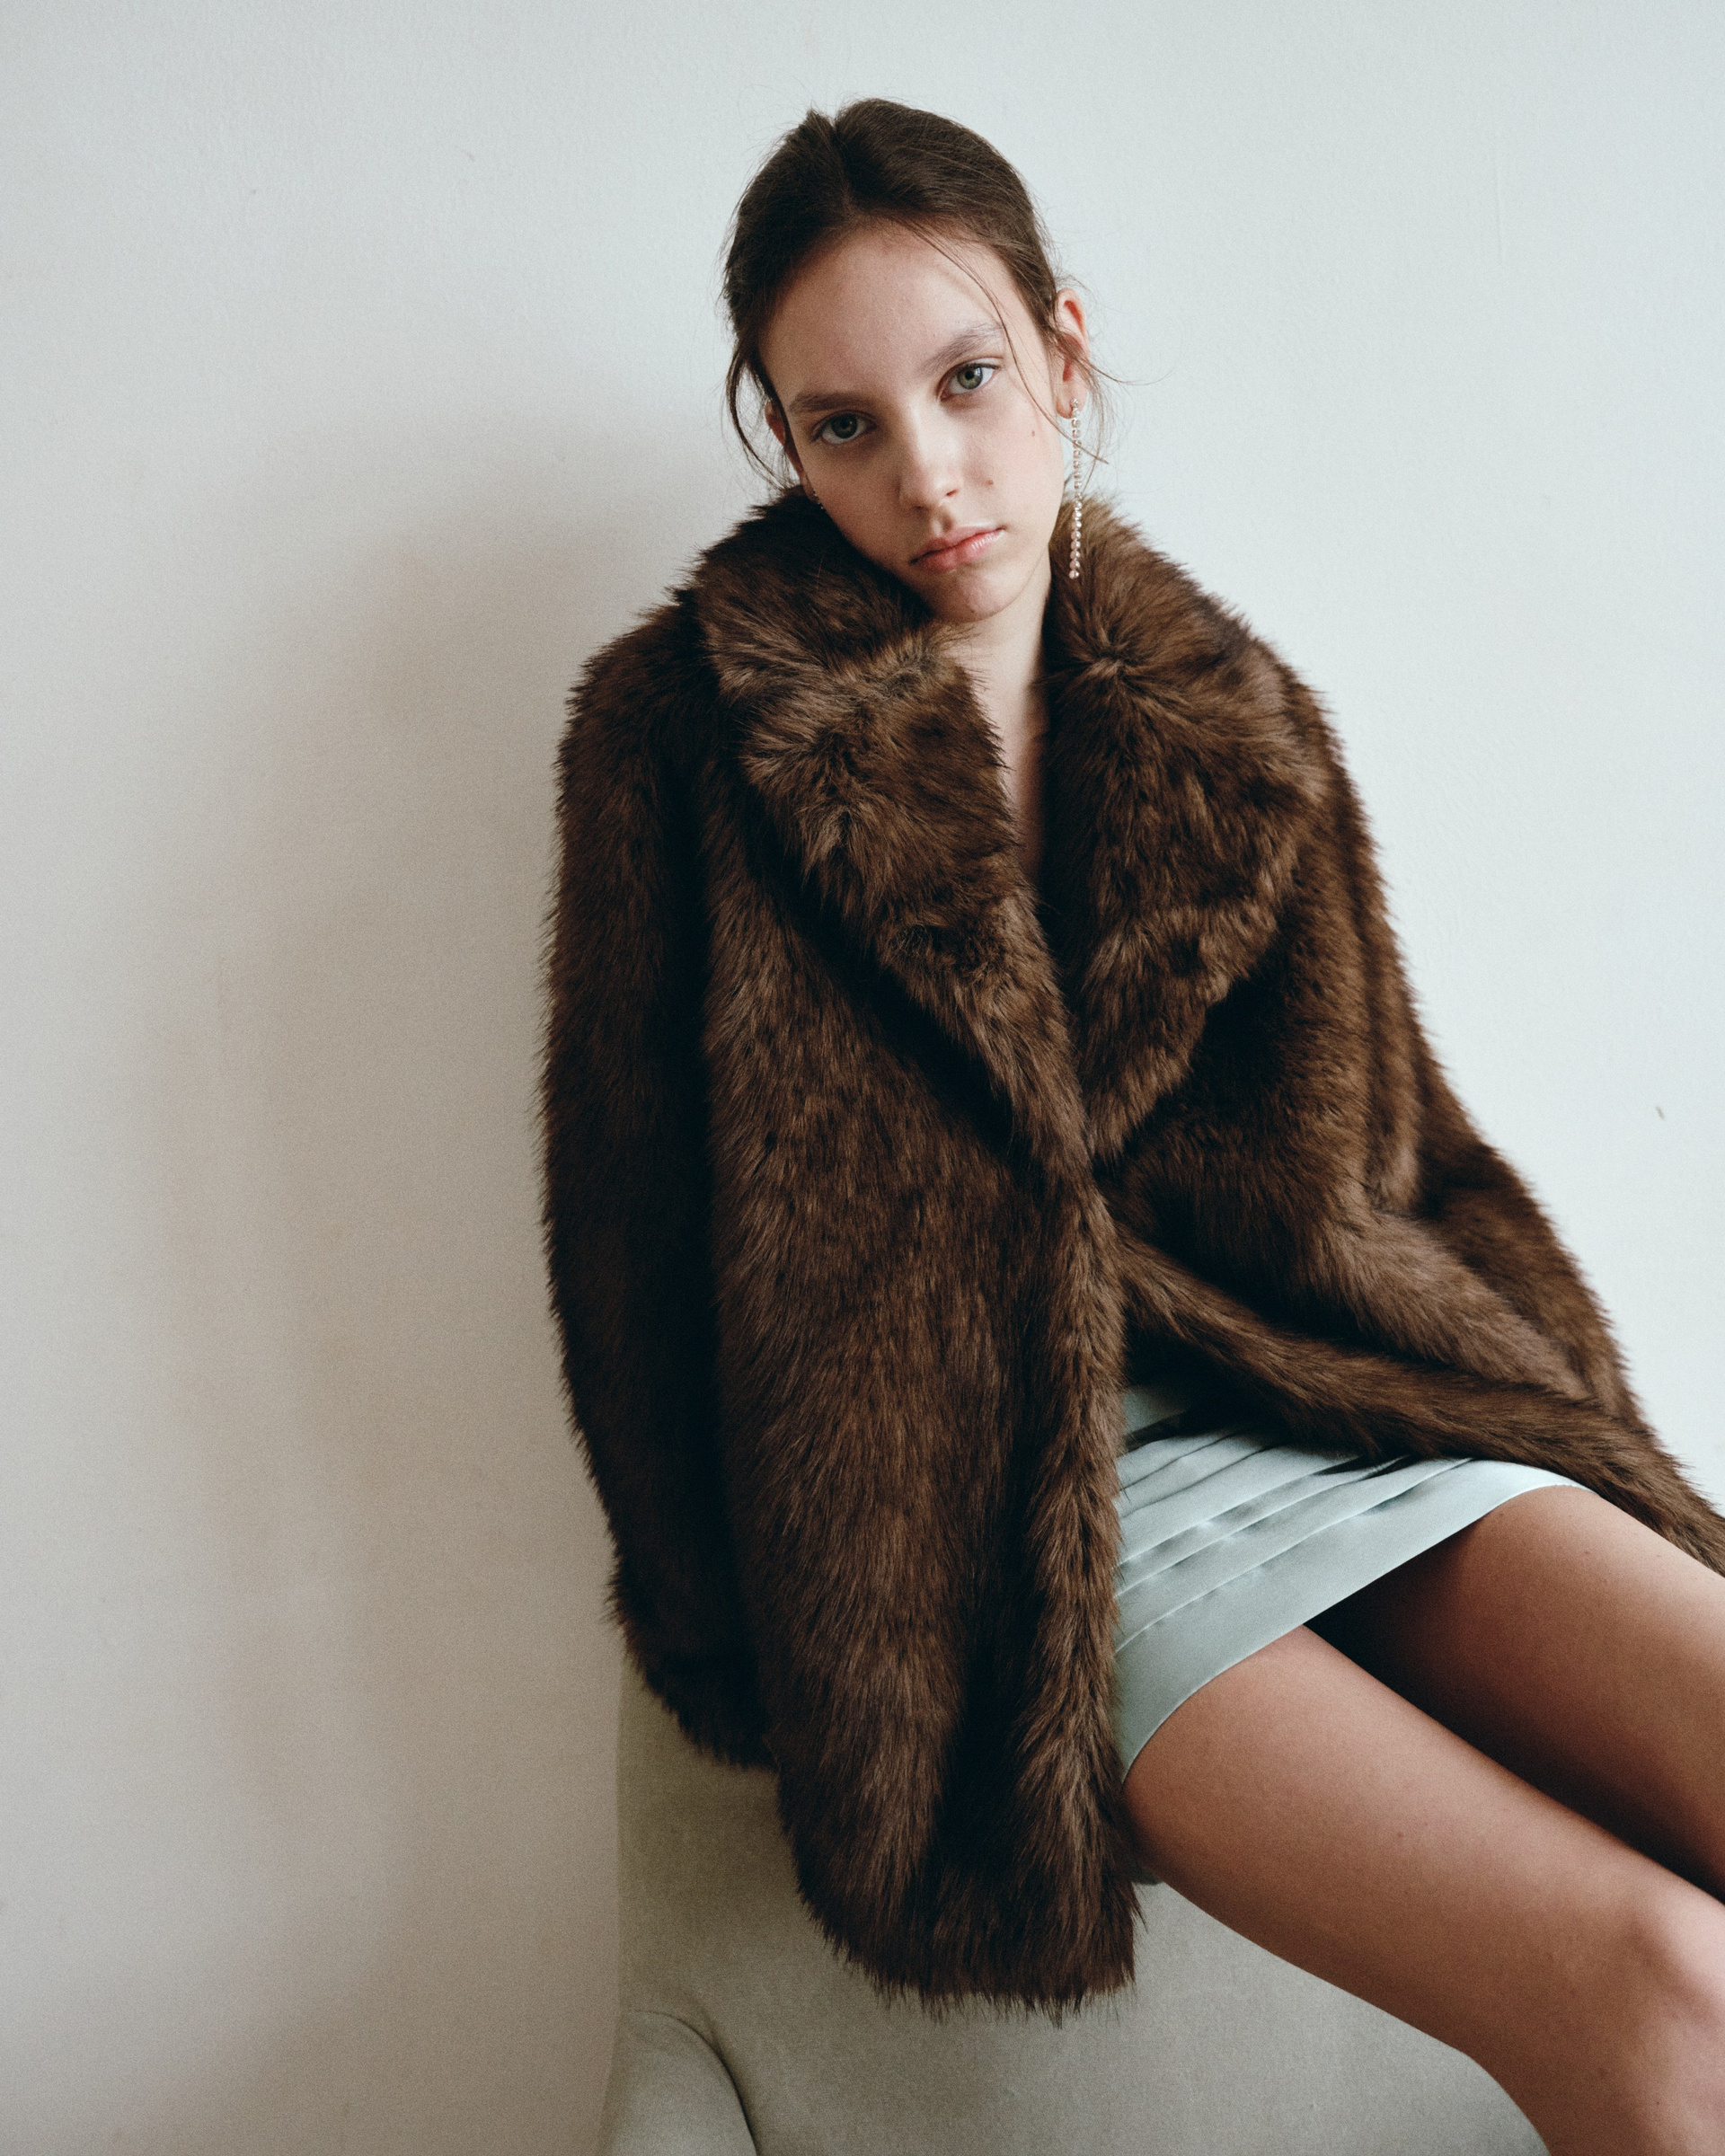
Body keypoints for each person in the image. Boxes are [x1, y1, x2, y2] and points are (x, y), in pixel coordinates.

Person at [543, 99, 1725, 2153]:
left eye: (967, 379)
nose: (928, 474)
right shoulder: (681, 739)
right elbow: (625, 1246)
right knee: (1661, 1985)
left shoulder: (1230, 718)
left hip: (1329, 1413)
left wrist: (1569, 1439)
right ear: (782, 440)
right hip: (1014, 1523)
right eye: (843, 426)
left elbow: (1405, 1164)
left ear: (1064, 349)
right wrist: (772, 1658)